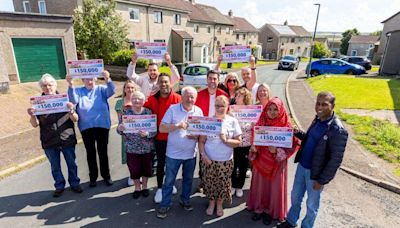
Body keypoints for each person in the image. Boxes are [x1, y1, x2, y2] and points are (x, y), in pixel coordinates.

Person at [278, 91, 348, 228]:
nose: (320, 107)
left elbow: (335, 160)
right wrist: (297, 133)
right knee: (295, 197)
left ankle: (307, 226)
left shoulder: (337, 129)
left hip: (315, 174)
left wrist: (322, 180)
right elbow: (309, 140)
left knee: (312, 204)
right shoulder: (317, 120)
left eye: (324, 104)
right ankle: (291, 221)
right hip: (302, 167)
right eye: (318, 103)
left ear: (333, 106)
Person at [247, 97, 300, 225]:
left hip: (277, 163)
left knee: (274, 189)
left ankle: (271, 212)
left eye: (275, 109)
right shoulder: (261, 122)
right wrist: (254, 147)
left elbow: (294, 144)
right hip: (261, 161)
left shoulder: (286, 125)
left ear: (281, 110)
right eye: (269, 109)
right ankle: (259, 209)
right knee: (261, 187)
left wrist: (277, 151)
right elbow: (254, 138)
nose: (272, 112)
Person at [27, 74, 82, 197]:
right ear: (41, 88)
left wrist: (71, 110)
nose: (48, 87)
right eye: (44, 86)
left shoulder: (65, 99)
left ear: (55, 85)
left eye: (50, 84)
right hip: (49, 140)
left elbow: (75, 119)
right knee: (55, 166)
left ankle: (74, 183)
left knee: (71, 163)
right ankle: (59, 185)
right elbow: (35, 125)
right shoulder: (37, 104)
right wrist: (32, 115)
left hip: (66, 137)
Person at [156, 86, 204, 219]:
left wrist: (195, 136)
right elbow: (162, 128)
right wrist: (177, 125)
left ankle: (185, 200)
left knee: (188, 180)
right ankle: (165, 204)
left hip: (190, 154)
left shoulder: (198, 111)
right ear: (181, 97)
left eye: (193, 97)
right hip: (173, 154)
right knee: (169, 181)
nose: (190, 99)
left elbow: (201, 133)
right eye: (187, 96)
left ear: (196, 98)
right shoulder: (173, 109)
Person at [67, 71, 116, 187]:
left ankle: (106, 176)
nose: (89, 81)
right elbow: (73, 100)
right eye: (86, 79)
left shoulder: (101, 89)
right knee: (90, 153)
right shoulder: (79, 90)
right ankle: (93, 177)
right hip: (86, 127)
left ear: (95, 79)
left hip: (102, 125)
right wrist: (70, 84)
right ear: (82, 80)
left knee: (103, 152)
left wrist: (107, 78)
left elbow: (112, 91)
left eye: (91, 79)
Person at [199, 96, 242, 217]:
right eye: (217, 105)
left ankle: (219, 204)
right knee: (209, 182)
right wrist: (203, 155)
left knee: (223, 184)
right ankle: (211, 203)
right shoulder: (208, 121)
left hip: (225, 161)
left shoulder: (232, 121)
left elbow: (238, 142)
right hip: (209, 160)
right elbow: (201, 141)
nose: (219, 108)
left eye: (222, 106)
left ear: (227, 106)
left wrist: (225, 140)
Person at [144, 73, 181, 203]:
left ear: (170, 83)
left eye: (166, 82)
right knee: (161, 164)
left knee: (173, 164)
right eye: (161, 82)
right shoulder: (151, 99)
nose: (164, 84)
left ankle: (170, 184)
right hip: (159, 138)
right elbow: (143, 115)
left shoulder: (178, 98)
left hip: (175, 137)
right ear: (158, 84)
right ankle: (160, 188)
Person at [117, 91, 156, 199]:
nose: (137, 101)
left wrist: (148, 134)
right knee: (134, 170)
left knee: (146, 169)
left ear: (143, 101)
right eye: (134, 98)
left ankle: (145, 187)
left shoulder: (148, 112)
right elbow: (119, 130)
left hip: (146, 148)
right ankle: (137, 188)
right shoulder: (127, 114)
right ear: (131, 100)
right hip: (131, 148)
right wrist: (119, 129)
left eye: (139, 98)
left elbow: (154, 130)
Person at [115, 80, 140, 186]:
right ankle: (132, 175)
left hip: (139, 133)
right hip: (127, 135)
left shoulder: (140, 101)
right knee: (129, 156)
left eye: (132, 88)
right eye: (128, 87)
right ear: (124, 89)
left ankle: (139, 175)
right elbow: (120, 120)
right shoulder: (119, 103)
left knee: (139, 155)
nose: (130, 90)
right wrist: (121, 128)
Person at [231, 87, 253, 198]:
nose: (236, 97)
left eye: (239, 96)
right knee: (233, 166)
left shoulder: (251, 111)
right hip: (234, 143)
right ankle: (233, 185)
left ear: (245, 98)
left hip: (246, 144)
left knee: (243, 166)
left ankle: (239, 186)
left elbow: (254, 127)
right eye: (236, 95)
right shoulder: (232, 110)